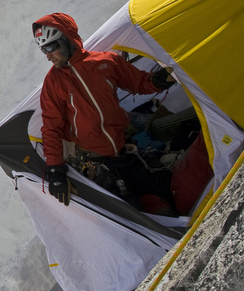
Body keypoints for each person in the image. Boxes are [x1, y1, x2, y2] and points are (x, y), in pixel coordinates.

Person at [33, 13, 175, 207]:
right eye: (44, 50)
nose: (48, 56)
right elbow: (51, 128)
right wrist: (55, 170)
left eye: (51, 47)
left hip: (126, 151)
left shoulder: (105, 62)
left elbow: (140, 83)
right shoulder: (53, 83)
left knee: (169, 191)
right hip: (98, 165)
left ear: (66, 40)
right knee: (133, 214)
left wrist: (159, 81)